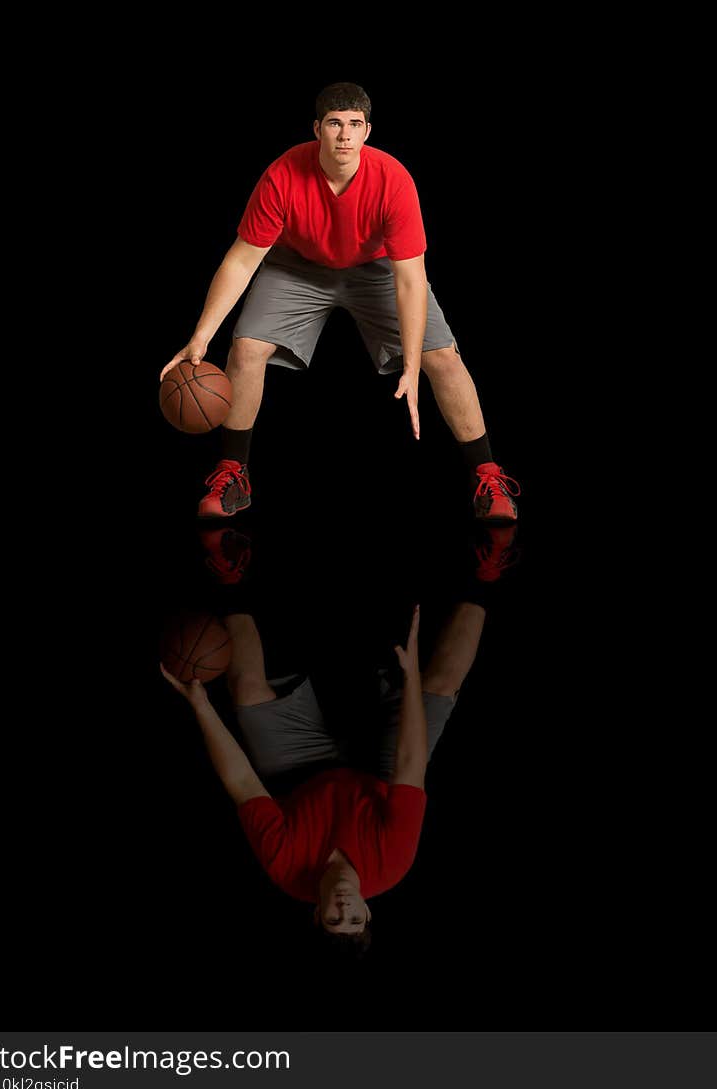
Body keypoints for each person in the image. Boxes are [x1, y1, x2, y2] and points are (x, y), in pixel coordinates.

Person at [161, 81, 520, 523]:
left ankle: (488, 475)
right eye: (335, 124)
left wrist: (410, 364)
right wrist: (200, 338)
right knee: (246, 348)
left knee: (443, 357)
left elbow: (410, 280)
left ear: (367, 131)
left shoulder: (393, 179)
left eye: (354, 125)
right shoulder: (282, 175)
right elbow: (240, 261)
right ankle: (233, 472)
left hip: (377, 269)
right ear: (317, 129)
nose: (345, 135)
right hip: (299, 266)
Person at [160, 599, 487, 954]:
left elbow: (242, 783)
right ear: (368, 912)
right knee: (439, 687)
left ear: (316, 914)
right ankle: (484, 577)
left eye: (334, 919)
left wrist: (201, 706)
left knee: (247, 691)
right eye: (354, 919)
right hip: (379, 772)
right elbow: (410, 763)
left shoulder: (284, 868)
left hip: (301, 774)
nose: (344, 909)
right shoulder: (393, 863)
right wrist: (410, 676)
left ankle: (229, 577)